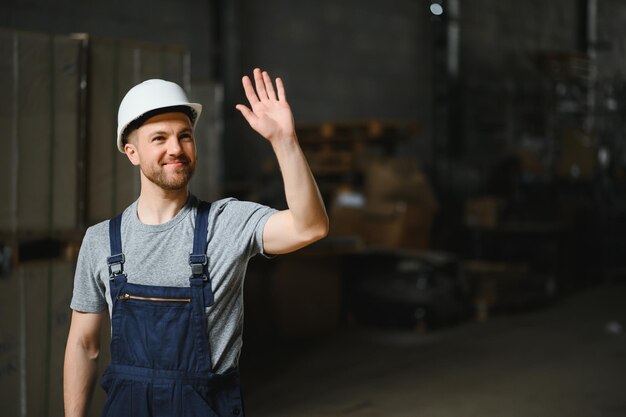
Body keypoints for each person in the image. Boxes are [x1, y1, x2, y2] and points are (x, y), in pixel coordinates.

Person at [63, 68, 329, 417]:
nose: (176, 149)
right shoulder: (101, 241)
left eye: (185, 136)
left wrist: (284, 141)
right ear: (132, 152)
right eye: (159, 138)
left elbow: (310, 227)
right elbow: (84, 345)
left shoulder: (227, 223)